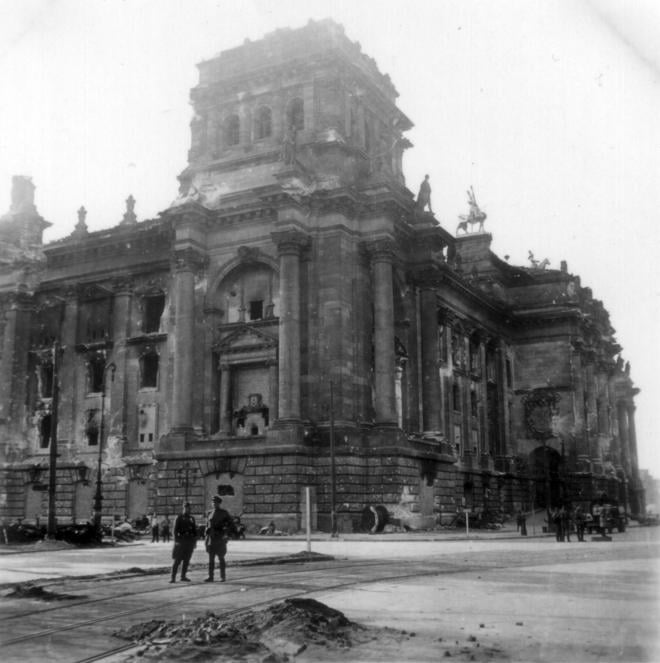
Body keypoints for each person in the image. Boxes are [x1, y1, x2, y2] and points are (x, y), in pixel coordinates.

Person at [204, 495, 233, 582]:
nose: (214, 504)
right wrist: (206, 537)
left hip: (220, 539)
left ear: (219, 503)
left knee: (221, 558)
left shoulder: (224, 513)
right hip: (211, 540)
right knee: (211, 560)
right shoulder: (209, 513)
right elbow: (207, 526)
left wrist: (226, 533)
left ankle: (222, 576)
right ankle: (210, 576)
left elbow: (231, 525)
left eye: (216, 502)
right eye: (213, 502)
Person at [170, 502, 197, 583]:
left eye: (189, 508)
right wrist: (176, 541)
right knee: (177, 560)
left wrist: (194, 542)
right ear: (183, 508)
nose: (187, 509)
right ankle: (173, 577)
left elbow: (194, 531)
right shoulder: (179, 517)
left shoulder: (192, 518)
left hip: (189, 543)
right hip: (181, 542)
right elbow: (174, 531)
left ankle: (183, 576)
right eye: (186, 508)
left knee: (186, 560)